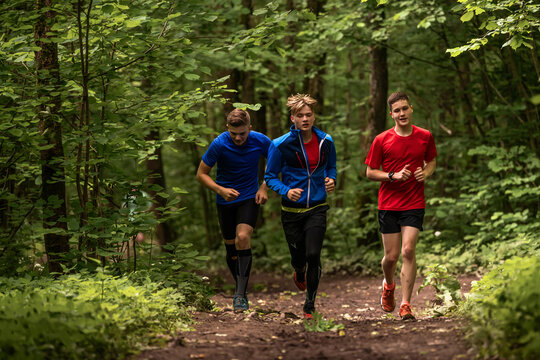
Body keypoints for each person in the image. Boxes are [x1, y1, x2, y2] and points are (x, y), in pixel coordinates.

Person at [365, 91, 437, 320]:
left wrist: (425, 173)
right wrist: (392, 176)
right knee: (391, 257)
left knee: (408, 251)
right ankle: (388, 284)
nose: (402, 113)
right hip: (388, 204)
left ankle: (406, 304)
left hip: (414, 202)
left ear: (411, 109)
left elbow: (432, 161)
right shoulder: (381, 139)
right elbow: (370, 172)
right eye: (397, 110)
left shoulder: (425, 136)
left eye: (405, 108)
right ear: (391, 114)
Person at [264, 94, 337, 319]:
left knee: (314, 254)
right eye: (300, 115)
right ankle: (299, 270)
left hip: (317, 207)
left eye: (309, 114)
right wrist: (286, 190)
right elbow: (269, 176)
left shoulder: (326, 141)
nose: (305, 119)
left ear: (314, 116)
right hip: (292, 212)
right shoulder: (280, 145)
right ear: (293, 118)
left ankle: (309, 306)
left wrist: (331, 179)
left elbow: (331, 167)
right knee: (299, 258)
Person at [196, 109, 271, 312]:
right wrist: (220, 190)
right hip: (225, 201)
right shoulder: (219, 143)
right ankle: (241, 289)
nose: (238, 138)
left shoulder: (261, 141)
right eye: (234, 134)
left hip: (249, 198)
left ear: (250, 129)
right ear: (227, 128)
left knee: (243, 237)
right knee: (231, 248)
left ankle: (239, 295)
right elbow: (201, 174)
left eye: (243, 133)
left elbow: (277, 162)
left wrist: (264, 187)